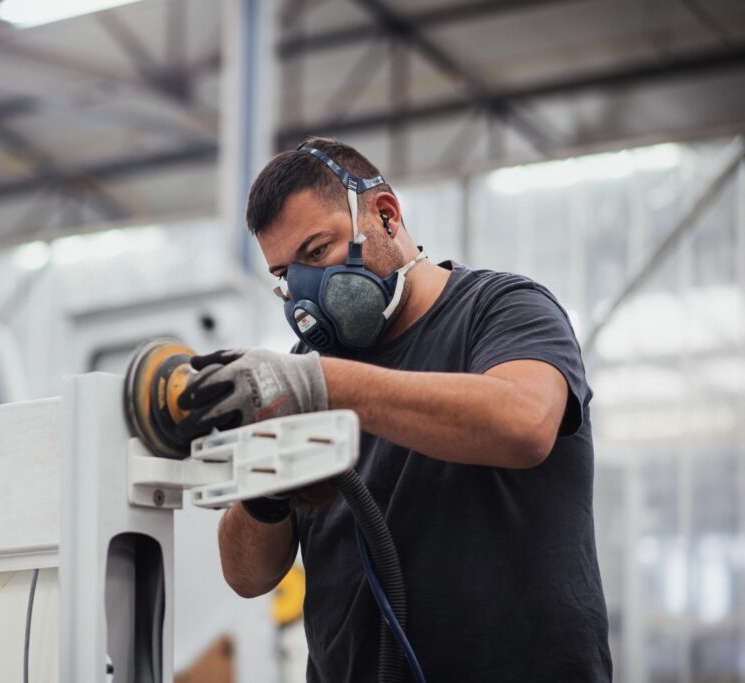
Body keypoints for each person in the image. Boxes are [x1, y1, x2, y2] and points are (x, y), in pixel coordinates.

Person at [176, 137, 613, 682]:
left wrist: (326, 384)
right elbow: (246, 576)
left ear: (385, 216)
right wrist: (266, 487)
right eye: (286, 276)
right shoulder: (306, 370)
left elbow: (524, 423)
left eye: (316, 251)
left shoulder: (502, 309)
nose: (304, 290)